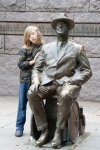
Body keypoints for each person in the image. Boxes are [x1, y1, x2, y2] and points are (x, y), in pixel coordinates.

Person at [27, 13, 92, 147]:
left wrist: (73, 80)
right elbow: (37, 69)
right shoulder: (46, 47)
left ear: (69, 28)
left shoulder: (77, 49)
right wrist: (35, 81)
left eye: (64, 24)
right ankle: (44, 130)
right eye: (58, 24)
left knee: (65, 94)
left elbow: (87, 71)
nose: (60, 25)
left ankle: (58, 131)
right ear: (55, 29)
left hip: (67, 83)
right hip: (48, 83)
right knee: (31, 93)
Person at [15, 26, 43, 137]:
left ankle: (36, 129)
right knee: (22, 104)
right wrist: (33, 61)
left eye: (33, 33)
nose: (31, 36)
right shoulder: (24, 49)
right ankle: (19, 128)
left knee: (37, 105)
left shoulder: (43, 48)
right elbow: (20, 65)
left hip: (37, 81)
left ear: (38, 33)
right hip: (25, 80)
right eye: (29, 35)